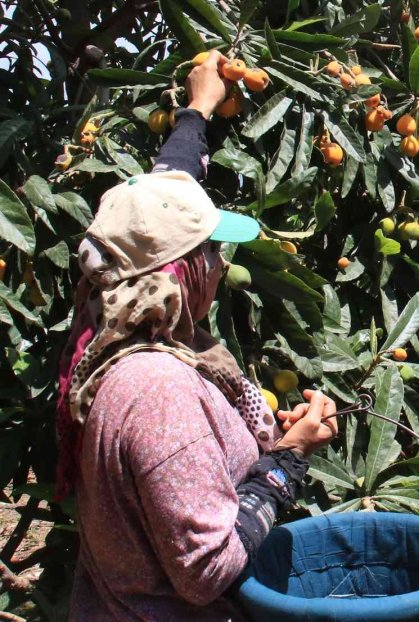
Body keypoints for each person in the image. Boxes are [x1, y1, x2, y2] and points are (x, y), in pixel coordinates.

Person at [57, 51, 339, 620]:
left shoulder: (110, 322)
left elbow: (156, 201)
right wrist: (289, 459)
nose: (220, 261)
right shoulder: (160, 393)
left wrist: (197, 111)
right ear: (179, 273)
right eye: (210, 250)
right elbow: (208, 569)